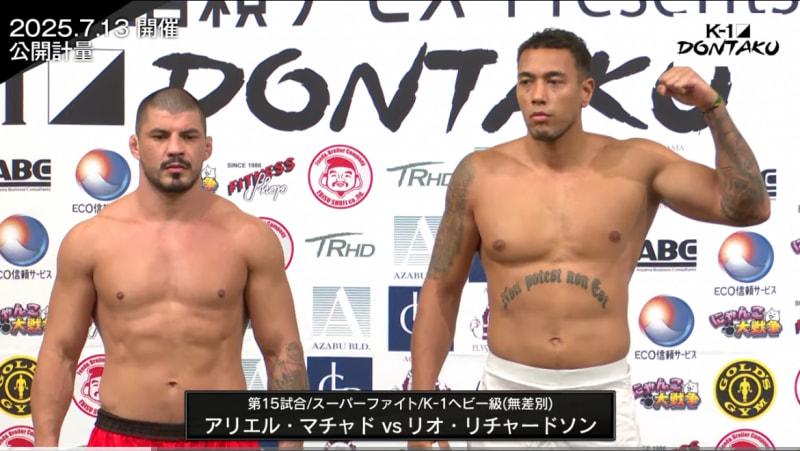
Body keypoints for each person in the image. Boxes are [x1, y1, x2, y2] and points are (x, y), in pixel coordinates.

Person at [409, 28, 770, 449]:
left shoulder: (638, 164)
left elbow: (748, 208)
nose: (537, 96)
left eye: (554, 81)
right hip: (509, 390)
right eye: (526, 82)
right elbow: (442, 289)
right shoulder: (478, 174)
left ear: (586, 91)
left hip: (600, 390)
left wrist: (712, 107)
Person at [31, 87, 308, 449]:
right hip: (121, 437)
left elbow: (282, 351)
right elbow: (60, 353)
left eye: (189, 136)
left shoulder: (248, 237)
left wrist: (291, 446)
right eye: (160, 136)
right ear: (135, 145)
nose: (175, 148)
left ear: (207, 147)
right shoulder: (91, 240)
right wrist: (45, 445)